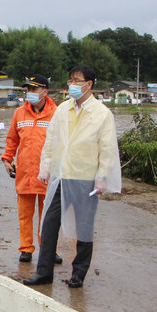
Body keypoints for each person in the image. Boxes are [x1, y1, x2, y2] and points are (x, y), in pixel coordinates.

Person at [22, 66, 120, 289]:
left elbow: (107, 149)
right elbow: (51, 140)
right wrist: (46, 168)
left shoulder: (102, 113)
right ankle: (44, 272)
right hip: (61, 177)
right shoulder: (62, 109)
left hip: (85, 179)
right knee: (48, 224)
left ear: (89, 85)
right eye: (71, 80)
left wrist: (102, 177)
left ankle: (78, 274)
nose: (73, 84)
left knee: (84, 227)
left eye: (78, 80)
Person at [1, 74, 62, 264]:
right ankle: (26, 248)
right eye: (28, 89)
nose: (30, 93)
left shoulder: (57, 113)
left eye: (34, 89)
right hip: (25, 172)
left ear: (45, 91)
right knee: (25, 215)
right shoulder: (19, 113)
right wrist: (7, 159)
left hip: (48, 173)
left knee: (49, 216)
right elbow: (12, 139)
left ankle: (49, 249)